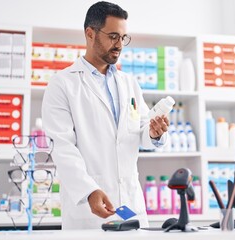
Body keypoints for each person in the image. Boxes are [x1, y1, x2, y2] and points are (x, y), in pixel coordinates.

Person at [42, 1, 169, 229]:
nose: (119, 44)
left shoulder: (129, 83)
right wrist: (88, 191)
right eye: (113, 36)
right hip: (90, 211)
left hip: (131, 206)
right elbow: (62, 147)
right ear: (90, 34)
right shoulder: (63, 84)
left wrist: (153, 133)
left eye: (123, 37)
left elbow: (138, 132)